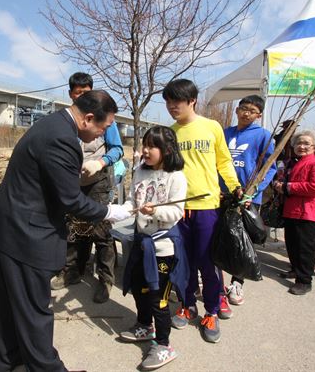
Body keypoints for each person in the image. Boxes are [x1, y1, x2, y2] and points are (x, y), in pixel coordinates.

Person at [0, 90, 131, 371]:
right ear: (88, 118)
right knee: (35, 308)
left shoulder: (53, 124)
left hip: (11, 223)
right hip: (25, 231)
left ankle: (7, 358)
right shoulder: (62, 138)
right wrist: (111, 212)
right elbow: (70, 200)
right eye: (103, 127)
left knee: (9, 301)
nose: (102, 135)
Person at [162, 79, 241, 344]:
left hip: (207, 206)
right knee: (182, 262)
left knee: (209, 262)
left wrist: (236, 187)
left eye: (177, 102)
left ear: (192, 100)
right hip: (178, 208)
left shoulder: (211, 127)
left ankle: (211, 311)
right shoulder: (169, 133)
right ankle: (187, 305)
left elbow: (224, 162)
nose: (172, 107)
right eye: (168, 102)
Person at [118, 126, 188, 370]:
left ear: (167, 150)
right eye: (144, 144)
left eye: (152, 146)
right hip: (140, 242)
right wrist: (116, 212)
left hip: (163, 248)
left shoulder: (176, 176)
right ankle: (144, 325)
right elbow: (131, 201)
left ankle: (164, 344)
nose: (145, 150)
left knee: (158, 297)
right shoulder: (139, 171)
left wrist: (156, 209)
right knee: (139, 288)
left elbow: (177, 212)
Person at [50, 73, 124, 303]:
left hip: (98, 182)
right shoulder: (66, 119)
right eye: (78, 92)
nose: (82, 96)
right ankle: (72, 271)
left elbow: (118, 149)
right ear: (70, 94)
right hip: (72, 182)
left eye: (87, 92)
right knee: (74, 229)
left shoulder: (101, 115)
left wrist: (100, 162)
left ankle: (105, 280)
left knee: (102, 233)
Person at [221, 95, 276, 306]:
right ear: (236, 110)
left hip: (247, 197)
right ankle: (214, 278)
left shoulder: (263, 136)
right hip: (223, 194)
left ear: (258, 115)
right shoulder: (225, 133)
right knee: (218, 237)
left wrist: (253, 191)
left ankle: (237, 282)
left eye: (251, 110)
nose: (245, 113)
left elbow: (268, 168)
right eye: (242, 108)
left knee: (241, 241)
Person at [273, 130, 315, 295]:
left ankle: (304, 280)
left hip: (309, 211)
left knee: (305, 247)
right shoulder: (291, 162)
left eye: (306, 143)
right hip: (291, 210)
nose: (302, 146)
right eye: (298, 143)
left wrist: (287, 187)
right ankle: (296, 269)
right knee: (292, 244)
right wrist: (278, 183)